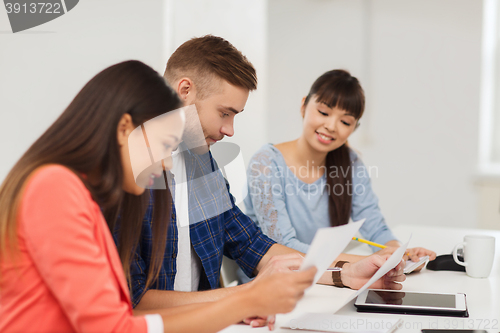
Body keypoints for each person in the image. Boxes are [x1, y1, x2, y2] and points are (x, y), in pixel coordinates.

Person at [0, 60, 317, 333]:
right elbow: (115, 327)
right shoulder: (55, 188)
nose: (167, 163)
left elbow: (122, 317)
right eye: (163, 146)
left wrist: (241, 303)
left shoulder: (82, 193)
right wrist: (243, 300)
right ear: (126, 128)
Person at [129, 36, 406, 328]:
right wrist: (247, 295)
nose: (230, 130)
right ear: (185, 90)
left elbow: (250, 243)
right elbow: (132, 301)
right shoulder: (130, 172)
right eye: (225, 113)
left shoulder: (201, 160)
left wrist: (345, 273)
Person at [244, 69, 437, 267]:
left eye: (345, 121)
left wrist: (398, 253)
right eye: (323, 112)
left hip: (326, 280)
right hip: (273, 282)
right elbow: (283, 246)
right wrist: (364, 262)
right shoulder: (266, 163)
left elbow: (375, 227)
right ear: (303, 106)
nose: (331, 126)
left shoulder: (350, 163)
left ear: (353, 128)